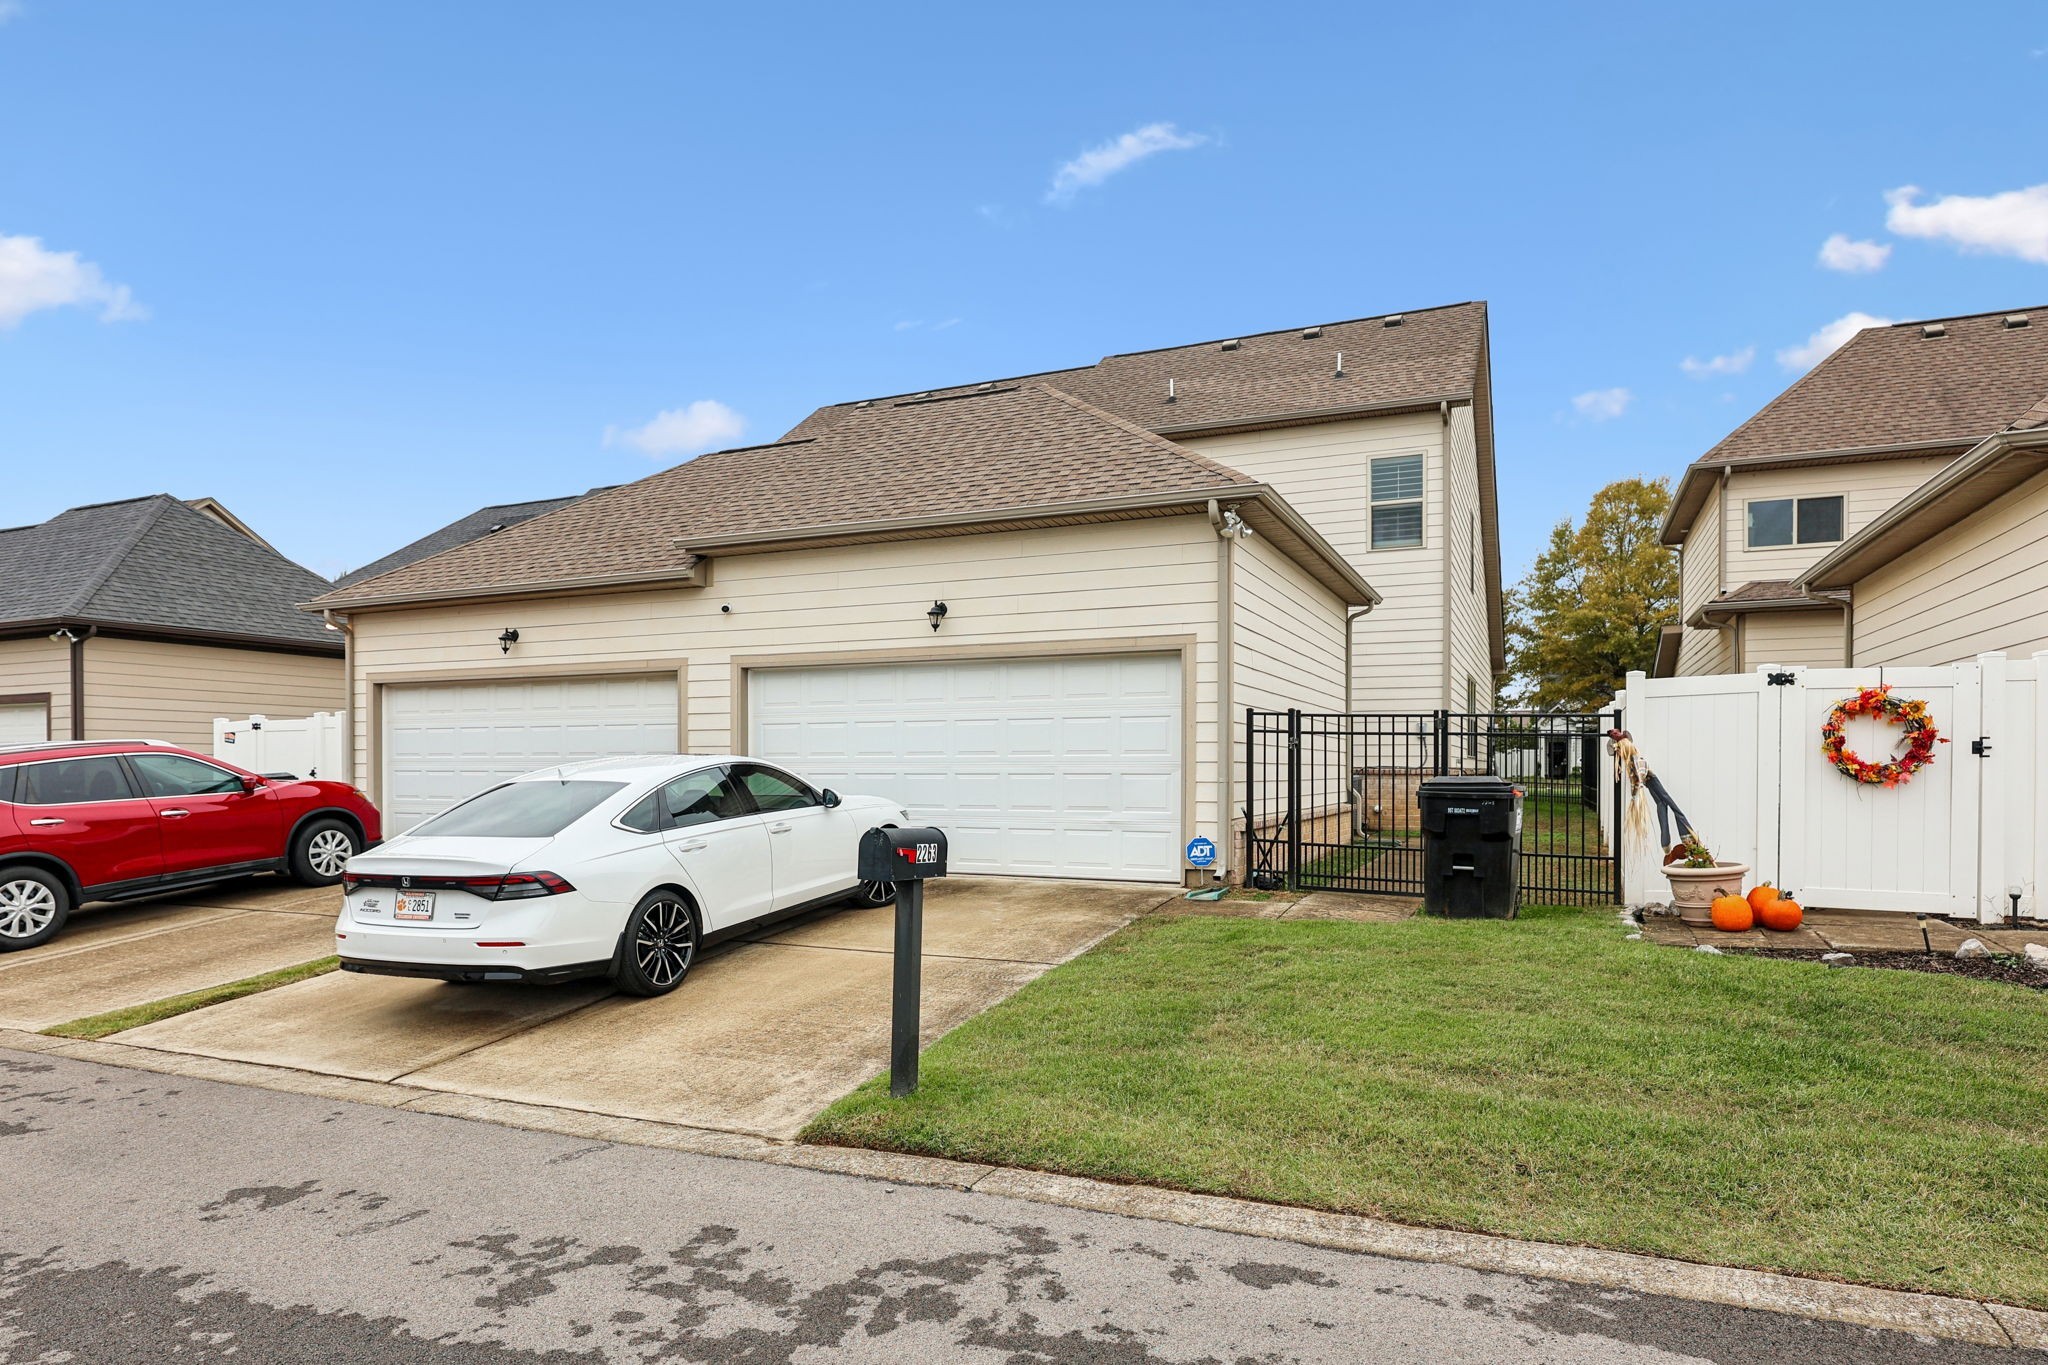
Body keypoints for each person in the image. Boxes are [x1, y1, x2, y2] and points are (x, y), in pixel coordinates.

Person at [1607, 728, 1696, 856]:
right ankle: (1666, 843)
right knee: (1662, 804)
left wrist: (1637, 791)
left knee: (1671, 806)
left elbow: (1640, 775)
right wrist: (1635, 792)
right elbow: (1636, 779)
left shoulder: (1637, 760)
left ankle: (1686, 838)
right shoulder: (1631, 763)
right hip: (1649, 784)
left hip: (1651, 781)